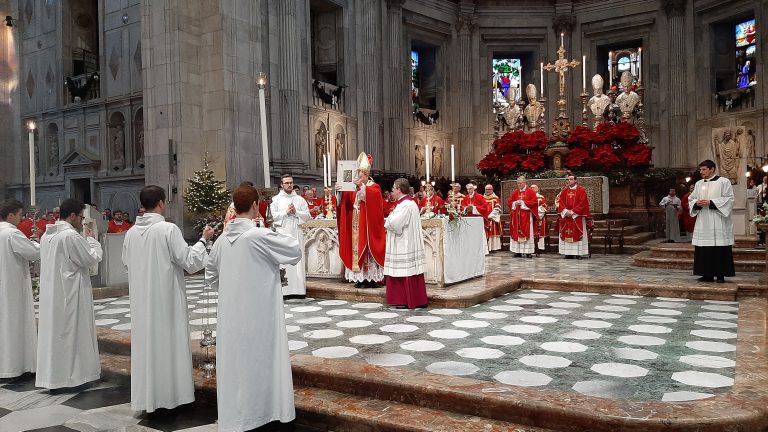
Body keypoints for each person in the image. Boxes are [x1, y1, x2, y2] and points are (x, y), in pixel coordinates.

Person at [205, 185, 302, 432]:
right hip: (261, 315)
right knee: (261, 360)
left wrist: (231, 290)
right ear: (256, 205)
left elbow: (210, 275)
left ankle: (237, 416)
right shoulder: (258, 236)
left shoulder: (220, 242)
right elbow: (294, 250)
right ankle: (264, 413)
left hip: (230, 314)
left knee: (237, 363)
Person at [121, 185, 214, 413]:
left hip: (142, 303)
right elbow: (190, 262)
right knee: (168, 344)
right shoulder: (167, 229)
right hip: (165, 301)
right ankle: (170, 397)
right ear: (161, 203)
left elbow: (126, 262)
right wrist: (203, 240)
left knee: (148, 348)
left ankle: (148, 398)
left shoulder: (131, 232)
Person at [36, 198, 103, 390]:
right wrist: (92, 240)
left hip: (52, 294)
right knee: (73, 333)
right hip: (70, 293)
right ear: (72, 215)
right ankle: (73, 378)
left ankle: (54, 377)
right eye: (81, 217)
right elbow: (90, 258)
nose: (82, 221)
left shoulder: (47, 235)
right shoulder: (70, 236)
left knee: (57, 335)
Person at [0, 200, 40, 378]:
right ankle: (16, 367)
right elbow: (33, 253)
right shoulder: (11, 234)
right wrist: (40, 244)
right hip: (12, 287)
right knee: (15, 325)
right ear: (10, 215)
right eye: (19, 215)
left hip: (4, 286)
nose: (21, 218)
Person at [336, 153, 386, 288]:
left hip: (368, 227)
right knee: (355, 251)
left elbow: (372, 199)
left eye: (360, 175)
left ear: (366, 174)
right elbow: (344, 204)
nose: (358, 177)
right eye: (357, 174)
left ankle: (372, 279)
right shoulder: (352, 187)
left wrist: (361, 187)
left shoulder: (373, 187)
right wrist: (340, 191)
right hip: (354, 227)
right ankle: (360, 278)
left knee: (368, 253)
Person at [384, 178, 428, 309]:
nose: (392, 191)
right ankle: (414, 299)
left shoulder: (406, 205)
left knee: (404, 271)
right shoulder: (408, 203)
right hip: (405, 241)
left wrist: (387, 220)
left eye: (393, 188)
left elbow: (395, 224)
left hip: (403, 243)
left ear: (399, 189)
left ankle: (403, 299)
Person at [689, 160, 735, 283]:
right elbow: (691, 198)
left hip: (718, 219)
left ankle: (720, 275)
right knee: (704, 248)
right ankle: (706, 274)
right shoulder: (698, 183)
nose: (701, 172)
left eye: (704, 169)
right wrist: (696, 203)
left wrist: (712, 202)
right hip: (704, 220)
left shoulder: (724, 182)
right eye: (700, 170)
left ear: (712, 169)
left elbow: (729, 199)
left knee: (720, 248)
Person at [270, 174, 311, 296]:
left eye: (291, 182)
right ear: (282, 185)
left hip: (296, 233)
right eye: (286, 183)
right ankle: (285, 291)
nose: (289, 185)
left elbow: (307, 215)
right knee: (284, 261)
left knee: (298, 261)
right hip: (282, 233)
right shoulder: (275, 199)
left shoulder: (300, 199)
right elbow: (273, 216)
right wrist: (286, 212)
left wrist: (296, 212)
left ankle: (299, 290)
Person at [557, 174, 591, 259]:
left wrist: (573, 212)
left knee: (578, 233)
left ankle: (578, 253)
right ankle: (567, 253)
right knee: (566, 233)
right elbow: (560, 203)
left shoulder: (581, 191)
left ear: (575, 180)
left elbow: (583, 203)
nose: (569, 181)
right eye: (568, 179)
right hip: (566, 217)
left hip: (577, 217)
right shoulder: (564, 191)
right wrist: (565, 211)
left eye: (571, 179)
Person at [507, 176, 538, 258]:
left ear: (525, 183)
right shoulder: (515, 192)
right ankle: (517, 251)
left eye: (521, 183)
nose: (519, 184)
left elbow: (534, 202)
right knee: (516, 232)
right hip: (516, 218)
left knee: (528, 233)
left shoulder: (530, 192)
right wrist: (515, 203)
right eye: (518, 183)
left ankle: (528, 252)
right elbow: (509, 202)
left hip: (526, 217)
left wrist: (523, 203)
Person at [483, 184, 502, 251]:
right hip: (484, 219)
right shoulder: (482, 198)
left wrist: (490, 216)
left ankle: (493, 248)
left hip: (492, 219)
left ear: (492, 190)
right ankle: (485, 248)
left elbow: (497, 208)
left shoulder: (495, 198)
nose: (487, 191)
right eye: (486, 189)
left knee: (492, 232)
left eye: (489, 189)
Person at [531, 184, 548, 251]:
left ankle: (539, 248)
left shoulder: (541, 197)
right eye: (531, 188)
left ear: (537, 189)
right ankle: (531, 247)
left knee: (539, 233)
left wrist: (536, 213)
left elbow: (544, 207)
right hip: (530, 218)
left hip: (539, 218)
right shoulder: (528, 197)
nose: (532, 189)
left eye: (533, 188)